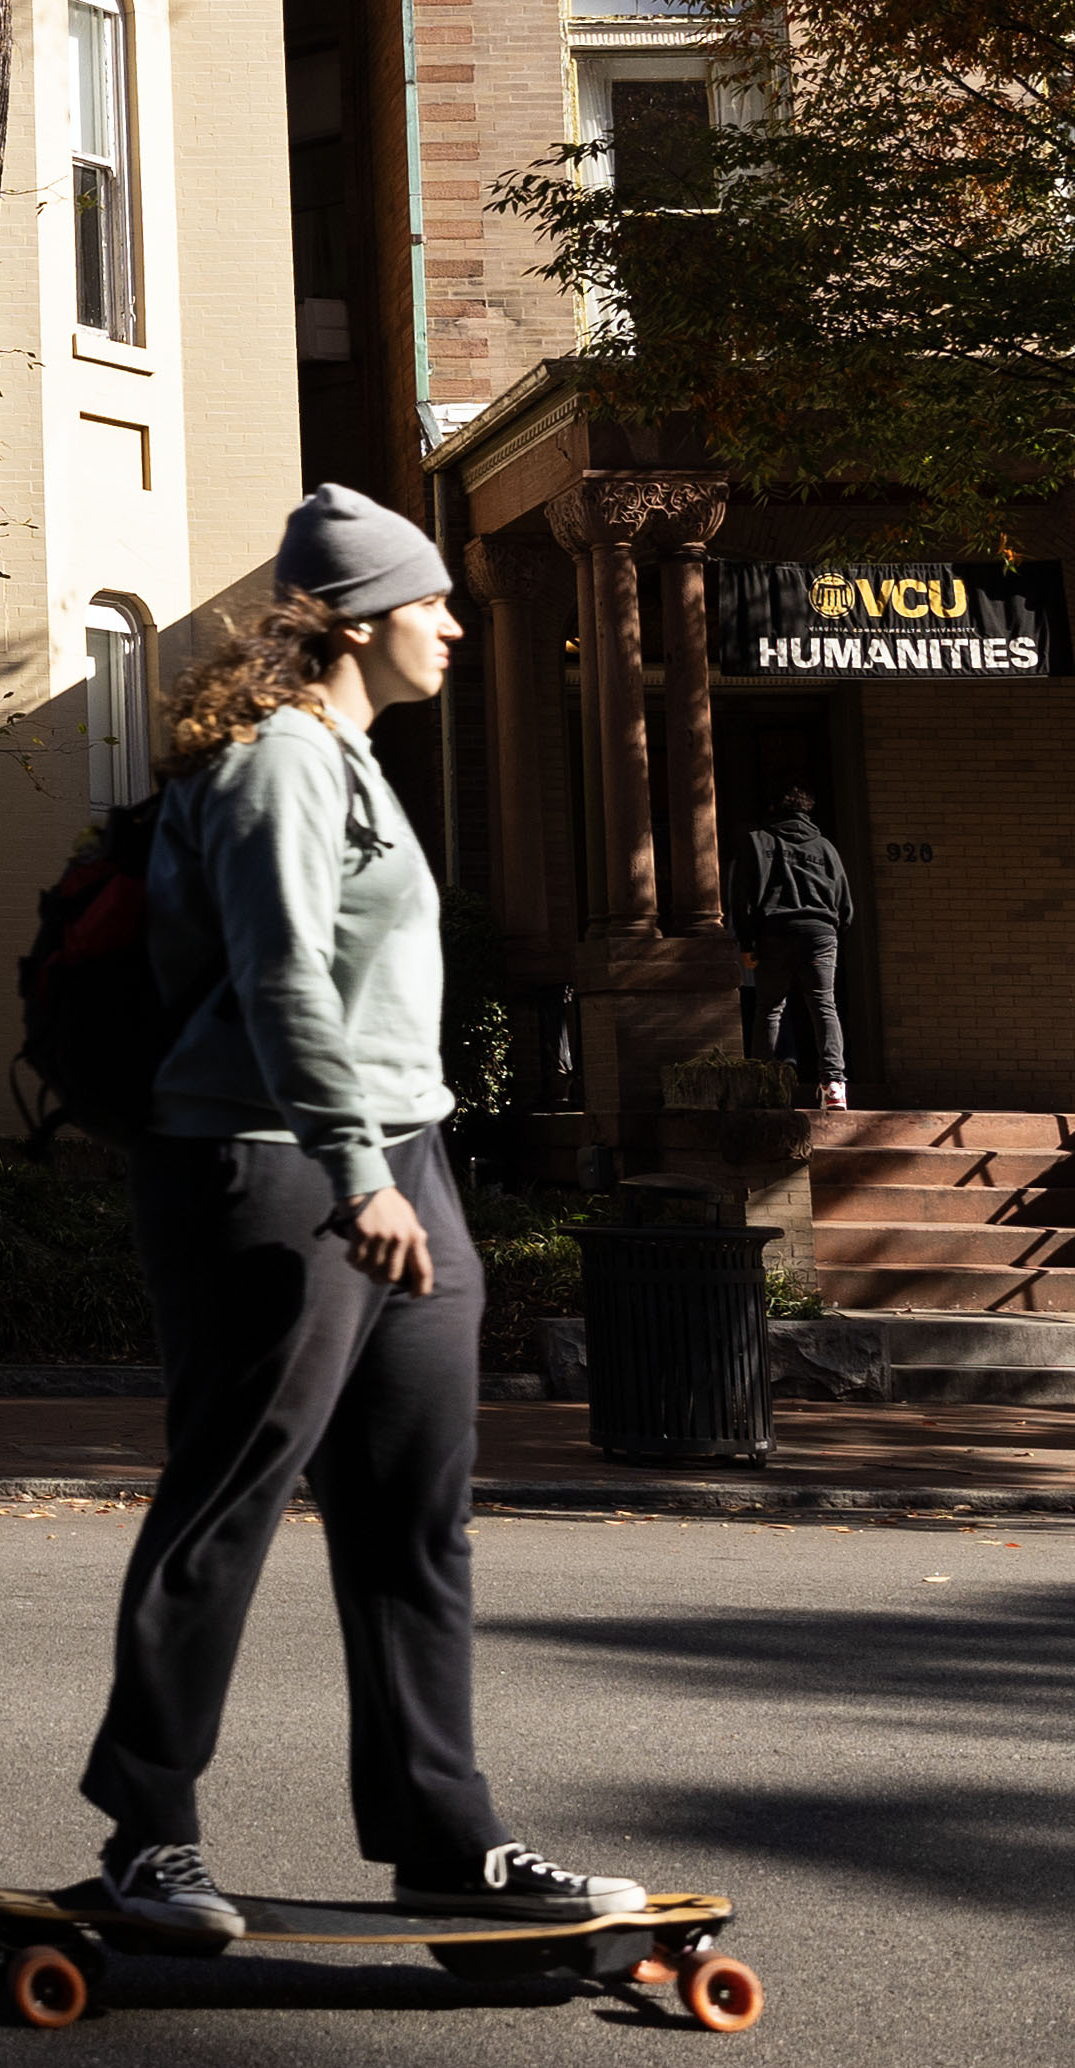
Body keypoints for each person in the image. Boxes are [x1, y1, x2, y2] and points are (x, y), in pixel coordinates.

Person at [78, 480, 658, 1946]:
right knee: (230, 1500)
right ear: (359, 620)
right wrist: (355, 1176)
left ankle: (441, 1835)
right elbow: (282, 986)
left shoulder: (352, 755)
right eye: (432, 605)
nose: (454, 627)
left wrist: (400, 1165)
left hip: (407, 1155)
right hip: (273, 1167)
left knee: (415, 1520)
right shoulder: (277, 765)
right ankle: (146, 1833)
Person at [735, 782, 855, 1112]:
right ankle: (834, 1086)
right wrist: (833, 933)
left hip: (775, 932)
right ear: (806, 812)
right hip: (820, 934)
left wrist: (747, 941)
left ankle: (764, 1086)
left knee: (770, 1007)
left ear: (773, 809)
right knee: (823, 1005)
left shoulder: (758, 842)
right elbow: (845, 904)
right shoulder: (826, 848)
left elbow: (743, 897)